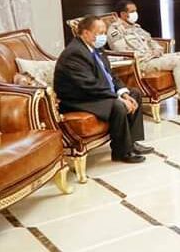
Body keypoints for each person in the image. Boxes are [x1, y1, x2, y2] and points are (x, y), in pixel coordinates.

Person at [54, 15, 152, 163]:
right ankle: (121, 152)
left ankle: (132, 143)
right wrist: (117, 98)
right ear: (86, 33)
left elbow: (110, 75)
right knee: (117, 105)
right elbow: (88, 85)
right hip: (79, 99)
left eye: (104, 32)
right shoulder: (74, 53)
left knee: (134, 94)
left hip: (94, 93)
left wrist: (123, 93)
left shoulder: (97, 48)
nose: (103, 36)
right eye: (100, 33)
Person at [107, 0, 180, 116]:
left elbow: (150, 40)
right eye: (132, 11)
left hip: (153, 58)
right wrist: (150, 54)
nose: (135, 14)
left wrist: (157, 49)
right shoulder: (115, 31)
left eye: (135, 11)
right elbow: (123, 52)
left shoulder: (135, 27)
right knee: (178, 61)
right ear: (122, 14)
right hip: (142, 63)